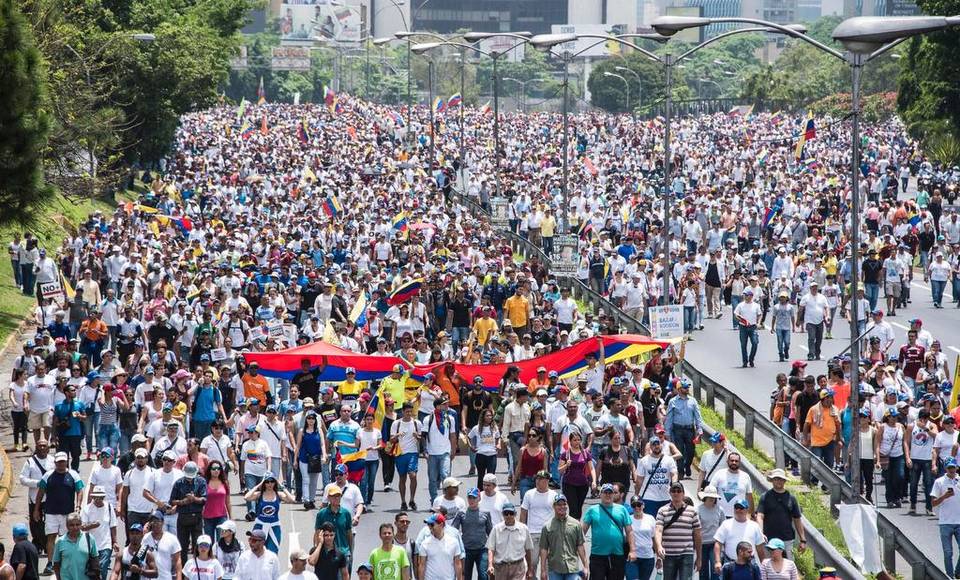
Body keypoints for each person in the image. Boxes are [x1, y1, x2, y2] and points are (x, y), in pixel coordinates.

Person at [33, 452, 83, 576]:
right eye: (59, 462)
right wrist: (36, 509)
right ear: (55, 462)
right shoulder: (48, 475)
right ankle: (50, 562)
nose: (61, 464)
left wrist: (78, 506)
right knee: (51, 537)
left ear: (66, 462)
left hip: (68, 513)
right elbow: (40, 492)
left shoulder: (73, 475)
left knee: (66, 537)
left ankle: (65, 561)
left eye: (63, 461)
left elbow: (80, 490)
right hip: (51, 512)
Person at [582, 483, 634, 580]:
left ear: (613, 494)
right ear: (600, 494)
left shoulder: (622, 509)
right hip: (597, 555)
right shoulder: (592, 510)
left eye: (610, 493)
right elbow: (582, 532)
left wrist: (632, 550)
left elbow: (629, 531)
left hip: (617, 554)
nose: (608, 495)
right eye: (605, 492)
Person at [655, 482, 702, 580]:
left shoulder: (692, 511)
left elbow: (698, 535)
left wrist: (699, 558)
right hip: (668, 553)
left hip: (686, 553)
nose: (676, 493)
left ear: (683, 493)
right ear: (670, 493)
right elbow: (658, 530)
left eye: (679, 491)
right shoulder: (662, 510)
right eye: (673, 491)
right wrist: (659, 546)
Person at [755, 470, 805, 558]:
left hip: (787, 539)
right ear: (772, 480)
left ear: (785, 481)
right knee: (769, 564)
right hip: (768, 539)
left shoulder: (791, 498)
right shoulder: (765, 497)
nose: (779, 481)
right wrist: (761, 533)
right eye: (776, 479)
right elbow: (760, 516)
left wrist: (803, 540)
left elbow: (797, 519)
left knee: (788, 564)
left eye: (781, 479)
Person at [538, 494, 589, 580]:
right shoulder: (547, 527)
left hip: (572, 568)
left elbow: (580, 546)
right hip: (555, 569)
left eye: (564, 504)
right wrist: (543, 570)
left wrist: (586, 566)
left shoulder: (576, 524)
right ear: (554, 506)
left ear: (567, 506)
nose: (562, 507)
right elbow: (544, 549)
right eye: (559, 505)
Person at [245, 473, 295, 555]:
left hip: (274, 527)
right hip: (260, 526)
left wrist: (281, 486)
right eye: (267, 482)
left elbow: (292, 499)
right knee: (256, 551)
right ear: (264, 483)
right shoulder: (259, 494)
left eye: (272, 481)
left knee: (273, 552)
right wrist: (258, 485)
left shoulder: (278, 494)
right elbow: (246, 497)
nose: (270, 484)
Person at [19, 439, 53, 556]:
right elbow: (22, 479)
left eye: (44, 446)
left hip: (49, 498)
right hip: (34, 498)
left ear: (48, 448)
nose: (42, 448)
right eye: (40, 446)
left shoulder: (53, 461)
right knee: (35, 523)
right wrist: (37, 483)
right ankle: (37, 544)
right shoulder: (30, 462)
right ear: (36, 447)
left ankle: (47, 545)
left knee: (48, 523)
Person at [663, 379, 702, 480]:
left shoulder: (693, 401)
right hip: (677, 429)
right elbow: (669, 417)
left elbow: (698, 416)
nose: (687, 389)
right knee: (679, 450)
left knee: (691, 451)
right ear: (679, 389)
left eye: (687, 387)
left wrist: (699, 430)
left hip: (690, 429)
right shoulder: (673, 401)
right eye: (685, 387)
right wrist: (667, 432)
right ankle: (680, 470)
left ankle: (687, 465)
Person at [169, 461, 207, 562]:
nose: (189, 478)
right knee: (182, 546)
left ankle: (197, 567)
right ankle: (183, 569)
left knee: (197, 545)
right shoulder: (179, 483)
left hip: (197, 518)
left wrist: (194, 499)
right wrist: (182, 502)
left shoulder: (201, 482)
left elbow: (204, 499)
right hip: (183, 518)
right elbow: (172, 501)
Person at [422, 396, 458, 505]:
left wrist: (453, 450)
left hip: (445, 452)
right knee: (433, 479)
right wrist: (425, 450)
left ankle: (445, 501)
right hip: (432, 453)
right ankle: (434, 501)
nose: (447, 406)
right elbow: (423, 436)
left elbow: (453, 435)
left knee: (445, 476)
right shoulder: (428, 419)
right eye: (444, 404)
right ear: (438, 406)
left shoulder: (450, 418)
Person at [713, 499, 765, 573]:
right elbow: (718, 543)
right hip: (730, 564)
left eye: (741, 508)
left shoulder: (754, 526)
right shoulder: (726, 524)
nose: (738, 510)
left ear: (747, 510)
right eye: (736, 508)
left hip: (749, 564)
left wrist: (764, 565)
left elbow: (760, 548)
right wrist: (717, 561)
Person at [486, 502, 534, 580]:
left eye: (511, 513)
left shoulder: (523, 529)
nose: (508, 516)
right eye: (506, 513)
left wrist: (530, 569)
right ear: (502, 514)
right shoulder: (496, 529)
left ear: (515, 514)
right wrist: (490, 565)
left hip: (518, 567)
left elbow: (528, 550)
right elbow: (491, 549)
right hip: (500, 568)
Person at [79, 486, 117, 580]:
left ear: (103, 497)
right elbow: (82, 527)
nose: (98, 500)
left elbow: (113, 526)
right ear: (92, 497)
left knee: (103, 568)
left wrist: (115, 542)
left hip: (105, 544)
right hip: (91, 546)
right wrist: (92, 525)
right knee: (92, 570)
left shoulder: (109, 507)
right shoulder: (87, 509)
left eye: (100, 498)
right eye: (95, 497)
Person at [390, 402, 423, 511]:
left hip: (413, 453)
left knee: (413, 475)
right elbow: (391, 440)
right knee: (402, 478)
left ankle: (412, 499)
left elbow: (422, 438)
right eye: (407, 411)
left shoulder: (417, 423)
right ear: (403, 411)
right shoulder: (396, 424)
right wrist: (397, 435)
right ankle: (403, 501)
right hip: (400, 454)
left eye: (410, 411)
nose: (409, 413)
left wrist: (417, 436)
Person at [455, 487, 493, 580]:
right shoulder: (461, 513)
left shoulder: (486, 513)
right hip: (466, 550)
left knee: (483, 576)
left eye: (474, 498)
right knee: (466, 576)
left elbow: (491, 532)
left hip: (482, 549)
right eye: (469, 497)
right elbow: (453, 530)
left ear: (479, 498)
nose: (471, 500)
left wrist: (493, 549)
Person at [636, 436, 678, 517]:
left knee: (666, 522)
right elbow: (639, 481)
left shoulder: (669, 460)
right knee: (650, 521)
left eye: (658, 443)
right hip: (649, 498)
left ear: (661, 445)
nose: (656, 446)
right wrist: (637, 495)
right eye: (654, 444)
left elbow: (674, 474)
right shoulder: (644, 461)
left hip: (666, 497)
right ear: (650, 447)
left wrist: (674, 485)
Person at [932, 457, 960, 577]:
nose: (952, 470)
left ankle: (957, 572)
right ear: (946, 469)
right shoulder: (939, 482)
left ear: (957, 467)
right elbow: (933, 503)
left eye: (953, 467)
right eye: (949, 468)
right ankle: (949, 576)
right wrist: (944, 496)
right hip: (945, 523)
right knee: (948, 553)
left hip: (959, 522)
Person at [314, 485, 353, 570]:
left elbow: (349, 534)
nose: (336, 498)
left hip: (344, 553)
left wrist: (350, 552)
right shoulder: (321, 514)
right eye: (333, 496)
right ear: (328, 498)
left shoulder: (346, 513)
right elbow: (317, 534)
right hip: (327, 553)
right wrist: (317, 551)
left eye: (338, 496)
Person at [558, 431, 596, 519]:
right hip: (569, 484)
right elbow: (559, 470)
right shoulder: (566, 454)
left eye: (579, 440)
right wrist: (566, 465)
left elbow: (591, 468)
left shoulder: (585, 453)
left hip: (583, 484)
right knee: (573, 508)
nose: (577, 442)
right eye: (575, 440)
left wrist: (594, 481)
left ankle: (577, 524)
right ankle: (572, 525)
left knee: (579, 508)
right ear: (570, 441)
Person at [418, 513, 464, 580]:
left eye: (432, 525)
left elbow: (457, 564)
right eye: (428, 525)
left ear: (441, 525)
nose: (430, 527)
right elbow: (422, 565)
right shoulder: (424, 544)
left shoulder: (454, 542)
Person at [51, 513, 95, 580]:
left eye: (77, 524)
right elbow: (56, 563)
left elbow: (95, 559)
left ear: (81, 525)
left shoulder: (89, 538)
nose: (75, 527)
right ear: (67, 526)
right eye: (71, 525)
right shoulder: (60, 541)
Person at [709, 453, 754, 517]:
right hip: (719, 515)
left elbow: (749, 497)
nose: (734, 462)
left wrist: (750, 514)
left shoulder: (745, 476)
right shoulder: (719, 473)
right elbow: (710, 492)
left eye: (736, 461)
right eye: (732, 460)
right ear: (727, 461)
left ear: (739, 463)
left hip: (739, 516)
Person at [142, 510, 181, 580]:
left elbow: (177, 561)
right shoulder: (145, 538)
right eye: (152, 521)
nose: (155, 524)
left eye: (157, 521)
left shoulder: (172, 538)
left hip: (166, 578)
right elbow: (140, 557)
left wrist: (179, 578)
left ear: (163, 522)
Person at [697, 485, 726, 580]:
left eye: (713, 497)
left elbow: (723, 526)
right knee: (703, 570)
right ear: (705, 497)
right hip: (702, 543)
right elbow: (696, 528)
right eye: (710, 497)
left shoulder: (720, 510)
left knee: (716, 569)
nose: (712, 499)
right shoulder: (698, 510)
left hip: (715, 543)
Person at [732, 288, 761, 367]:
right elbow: (736, 314)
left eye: (747, 295)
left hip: (753, 327)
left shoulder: (756, 305)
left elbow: (759, 314)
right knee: (743, 345)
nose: (746, 297)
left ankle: (751, 359)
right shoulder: (740, 305)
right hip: (743, 327)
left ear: (751, 296)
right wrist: (740, 319)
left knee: (755, 343)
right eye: (745, 295)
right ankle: (745, 361)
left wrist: (758, 323)